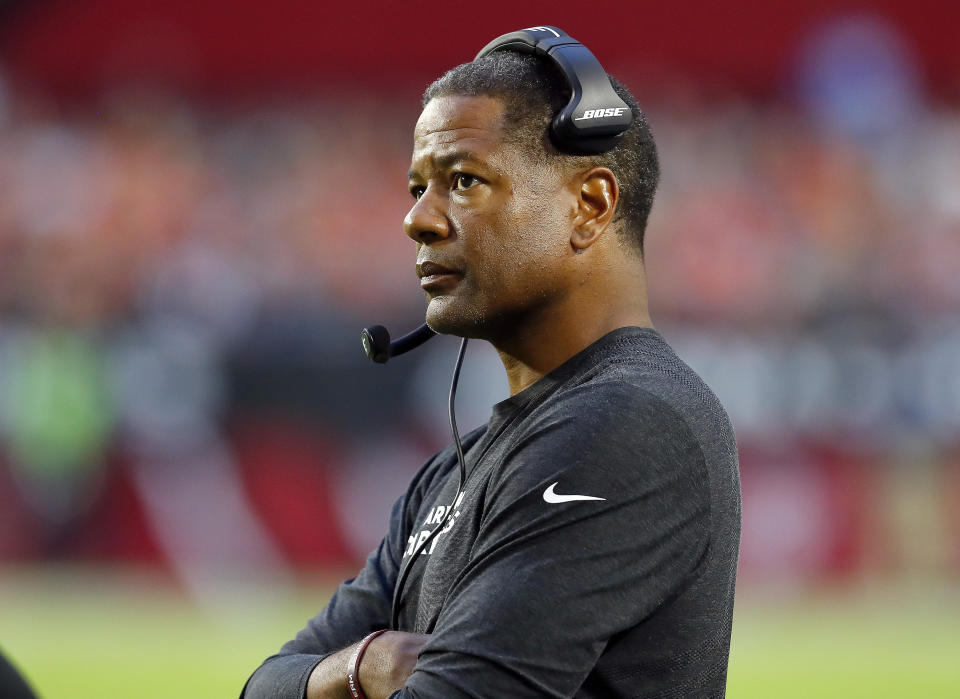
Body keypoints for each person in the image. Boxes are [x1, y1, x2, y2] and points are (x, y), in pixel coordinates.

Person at [242, 37, 741, 699]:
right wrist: (361, 666)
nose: (416, 219)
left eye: (464, 181)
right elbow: (263, 686)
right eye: (419, 186)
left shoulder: (628, 425)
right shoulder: (455, 468)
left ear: (589, 205)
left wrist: (337, 682)